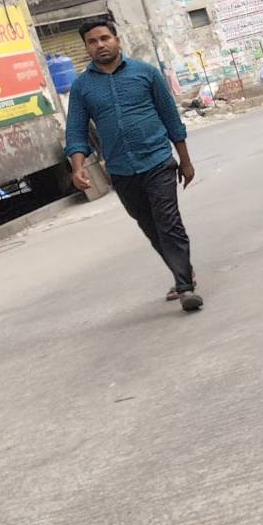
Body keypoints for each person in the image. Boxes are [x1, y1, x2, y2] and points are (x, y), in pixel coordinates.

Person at [65, 18, 203, 312]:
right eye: (92, 41)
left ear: (117, 40)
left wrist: (186, 161)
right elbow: (76, 131)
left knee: (168, 221)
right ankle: (183, 271)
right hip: (120, 169)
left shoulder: (146, 73)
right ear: (87, 48)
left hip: (157, 160)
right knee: (150, 225)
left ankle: (185, 286)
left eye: (105, 38)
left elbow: (171, 119)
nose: (100, 45)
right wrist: (78, 167)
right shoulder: (82, 87)